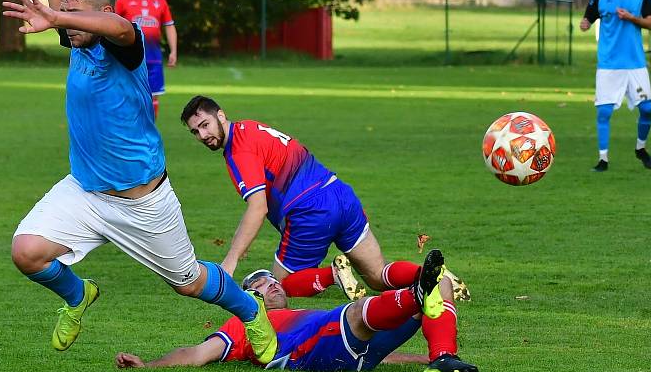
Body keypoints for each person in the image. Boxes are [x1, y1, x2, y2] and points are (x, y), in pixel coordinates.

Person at [2, 0, 276, 362]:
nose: (67, 22)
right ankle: (78, 296)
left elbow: (117, 26)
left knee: (189, 281)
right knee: (27, 252)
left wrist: (59, 16)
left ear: (102, 12)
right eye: (64, 15)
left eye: (76, 15)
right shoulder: (75, 36)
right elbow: (60, 1)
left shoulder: (126, 44)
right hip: (86, 192)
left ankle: (252, 312)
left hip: (144, 203)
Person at [180, 96, 466, 303]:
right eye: (196, 131)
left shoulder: (238, 152)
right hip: (340, 195)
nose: (203, 135)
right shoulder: (250, 127)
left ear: (220, 115)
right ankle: (431, 274)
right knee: (378, 277)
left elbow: (258, 207)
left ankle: (333, 273)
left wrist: (229, 262)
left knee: (281, 288)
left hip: (310, 212)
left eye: (205, 125)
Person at [115, 248, 479, 372]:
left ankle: (442, 358)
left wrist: (416, 358)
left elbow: (372, 349)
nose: (271, 286)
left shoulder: (300, 311)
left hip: (356, 349)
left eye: (272, 283)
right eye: (259, 286)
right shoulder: (246, 321)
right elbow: (197, 353)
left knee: (441, 285)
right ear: (247, 298)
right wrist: (149, 366)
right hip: (311, 352)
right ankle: (417, 293)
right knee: (356, 312)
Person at [580, 0, 651, 172]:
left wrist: (632, 18)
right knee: (604, 113)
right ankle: (603, 160)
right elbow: (588, 17)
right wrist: (585, 24)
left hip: (635, 63)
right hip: (609, 64)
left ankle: (640, 148)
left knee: (648, 108)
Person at [115, 0, 177, 118]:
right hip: (130, 58)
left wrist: (173, 51)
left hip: (154, 58)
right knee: (129, 96)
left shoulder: (161, 2)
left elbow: (169, 26)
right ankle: (129, 130)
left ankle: (149, 133)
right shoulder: (123, 1)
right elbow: (112, 26)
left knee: (153, 97)